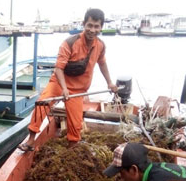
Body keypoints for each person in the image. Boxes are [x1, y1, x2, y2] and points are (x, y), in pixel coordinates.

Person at [18, 8, 118, 151]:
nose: (92, 30)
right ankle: (31, 140)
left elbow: (102, 63)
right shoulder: (70, 42)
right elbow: (58, 68)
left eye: (96, 26)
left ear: (101, 27)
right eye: (89, 25)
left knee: (75, 123)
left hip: (78, 90)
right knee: (42, 103)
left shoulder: (101, 46)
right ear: (84, 24)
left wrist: (110, 82)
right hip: (60, 83)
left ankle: (72, 148)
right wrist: (64, 89)